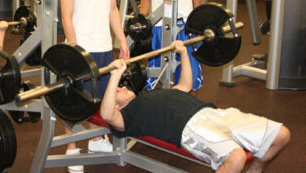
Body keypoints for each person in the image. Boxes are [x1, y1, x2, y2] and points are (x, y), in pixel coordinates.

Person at [100, 41, 290, 173]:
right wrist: (115, 76)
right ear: (117, 106)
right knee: (236, 157)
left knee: (282, 135)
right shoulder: (128, 117)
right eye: (118, 90)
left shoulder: (153, 95)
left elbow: (186, 85)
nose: (123, 87)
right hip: (192, 128)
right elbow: (106, 114)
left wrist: (183, 53)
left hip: (216, 113)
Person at [60, 0, 130, 172]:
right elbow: (66, 15)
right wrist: (74, 50)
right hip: (81, 46)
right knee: (74, 100)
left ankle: (96, 138)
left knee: (100, 95)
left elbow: (112, 9)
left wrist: (120, 39)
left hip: (103, 44)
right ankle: (71, 149)